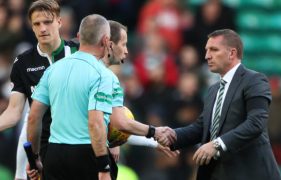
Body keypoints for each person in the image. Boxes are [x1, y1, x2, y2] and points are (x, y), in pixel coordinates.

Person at [161, 29, 281, 180]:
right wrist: (170, 136)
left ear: (232, 53)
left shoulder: (254, 80)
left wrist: (217, 145)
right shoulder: (213, 90)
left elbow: (256, 122)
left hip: (250, 173)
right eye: (206, 50)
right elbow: (201, 128)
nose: (207, 56)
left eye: (213, 49)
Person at [27, 14, 113, 180]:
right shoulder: (102, 74)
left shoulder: (53, 69)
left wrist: (34, 157)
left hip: (54, 154)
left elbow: (33, 117)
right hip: (87, 153)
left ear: (79, 37)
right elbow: (95, 123)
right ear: (105, 40)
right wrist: (103, 167)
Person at [0, 0, 79, 179]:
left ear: (59, 22)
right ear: (31, 27)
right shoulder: (23, 63)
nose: (42, 28)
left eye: (47, 22)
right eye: (37, 23)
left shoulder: (78, 53)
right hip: (42, 147)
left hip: (77, 143)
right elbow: (13, 112)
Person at [97, 20, 179, 162]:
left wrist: (151, 141)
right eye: (123, 44)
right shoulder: (102, 77)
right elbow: (120, 123)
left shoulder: (82, 68)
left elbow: (117, 128)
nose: (127, 50)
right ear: (109, 44)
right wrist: (155, 133)